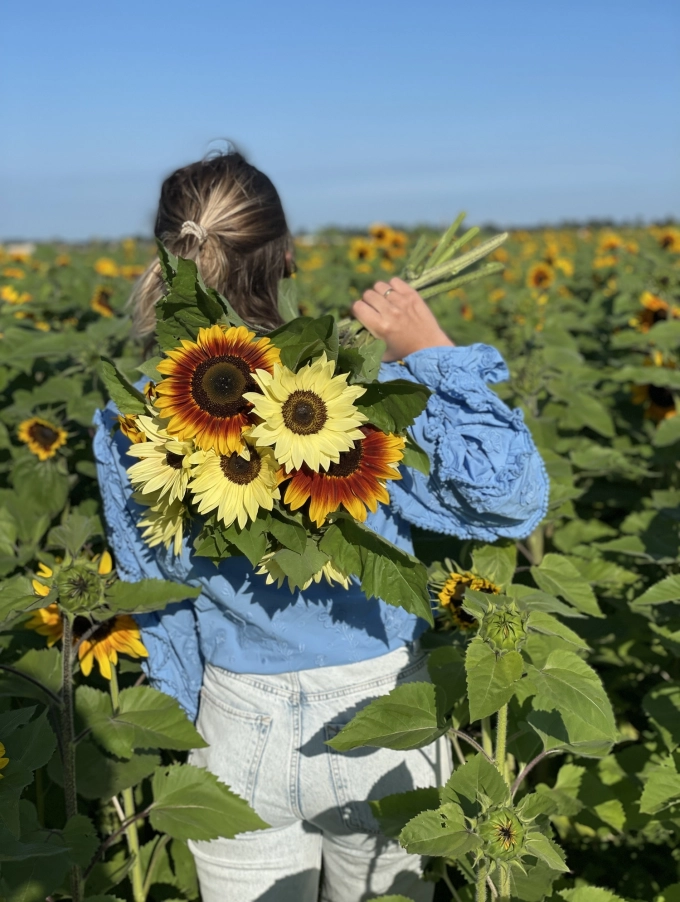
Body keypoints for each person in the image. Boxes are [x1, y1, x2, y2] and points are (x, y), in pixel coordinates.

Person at [93, 150, 549, 902]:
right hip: (381, 713)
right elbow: (511, 500)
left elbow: (155, 591)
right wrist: (431, 351)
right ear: (286, 255)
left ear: (167, 251)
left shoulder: (134, 413)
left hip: (235, 719)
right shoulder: (348, 386)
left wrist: (182, 727)